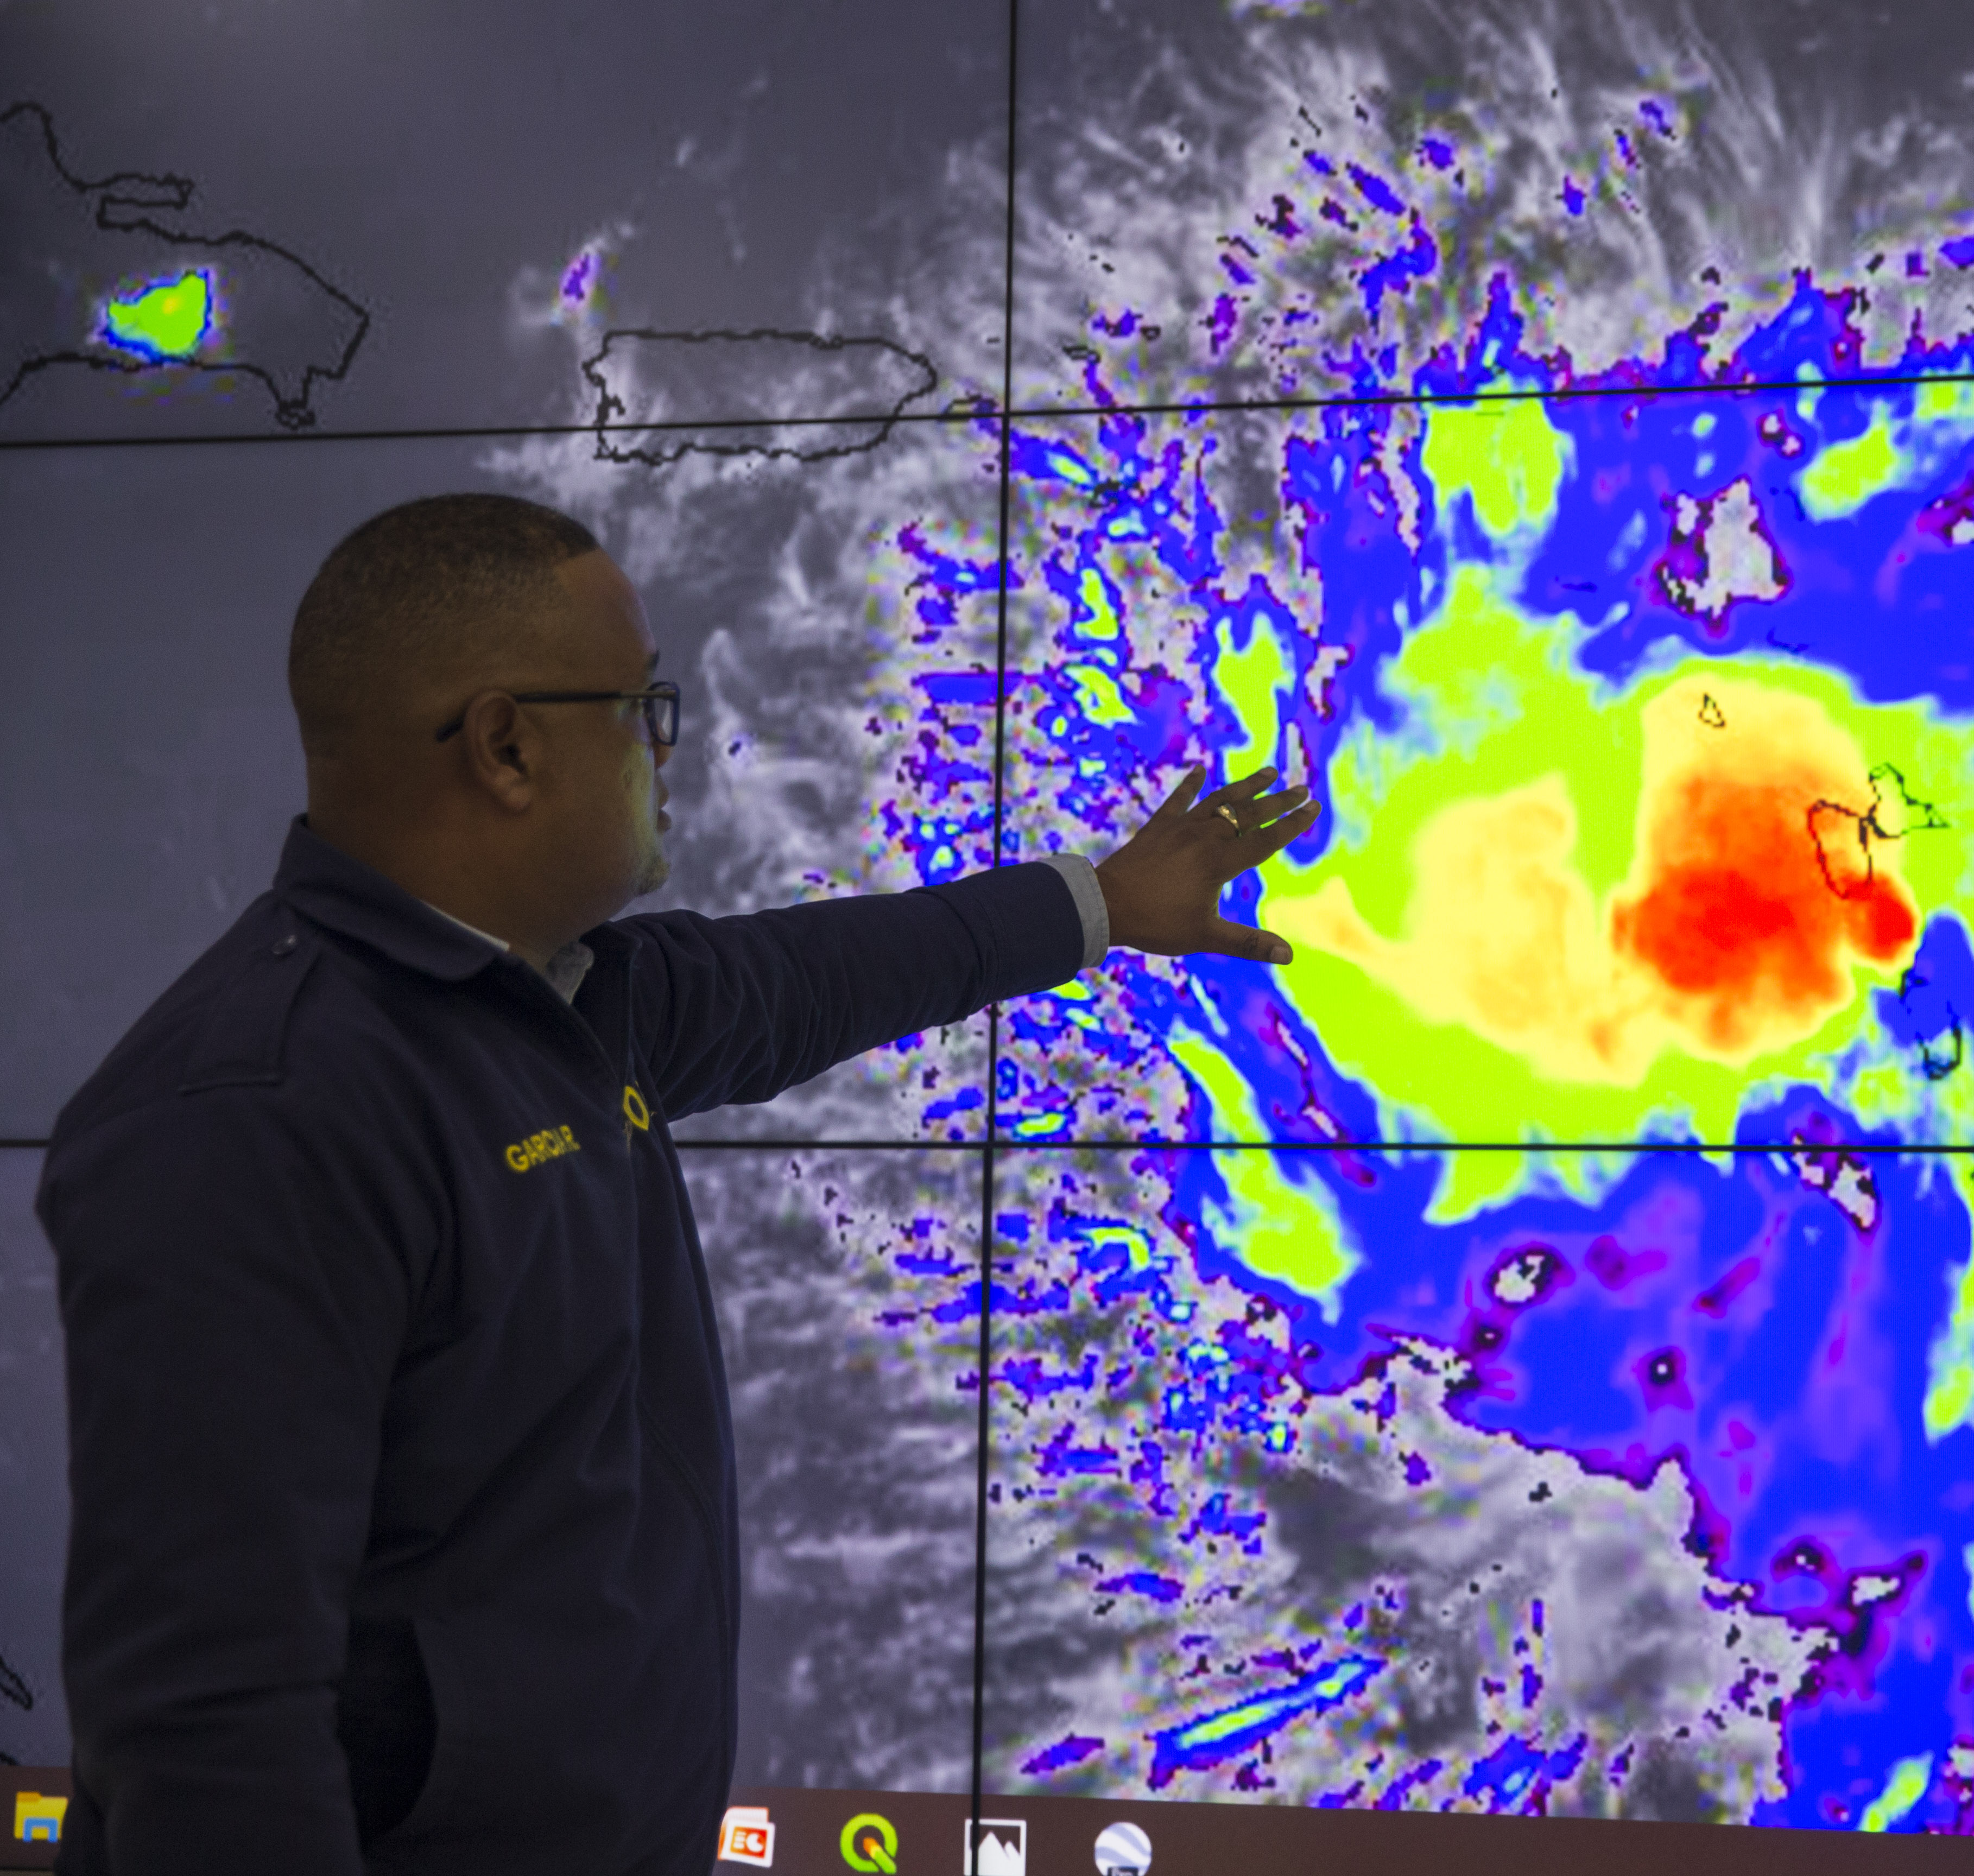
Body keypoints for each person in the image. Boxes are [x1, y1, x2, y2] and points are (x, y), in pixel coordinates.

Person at [35, 493, 1317, 1874]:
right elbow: (205, 1731)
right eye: (643, 709)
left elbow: (820, 976)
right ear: (508, 747)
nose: (664, 753)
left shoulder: (567, 1006)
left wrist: (1104, 903)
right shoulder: (258, 1115)